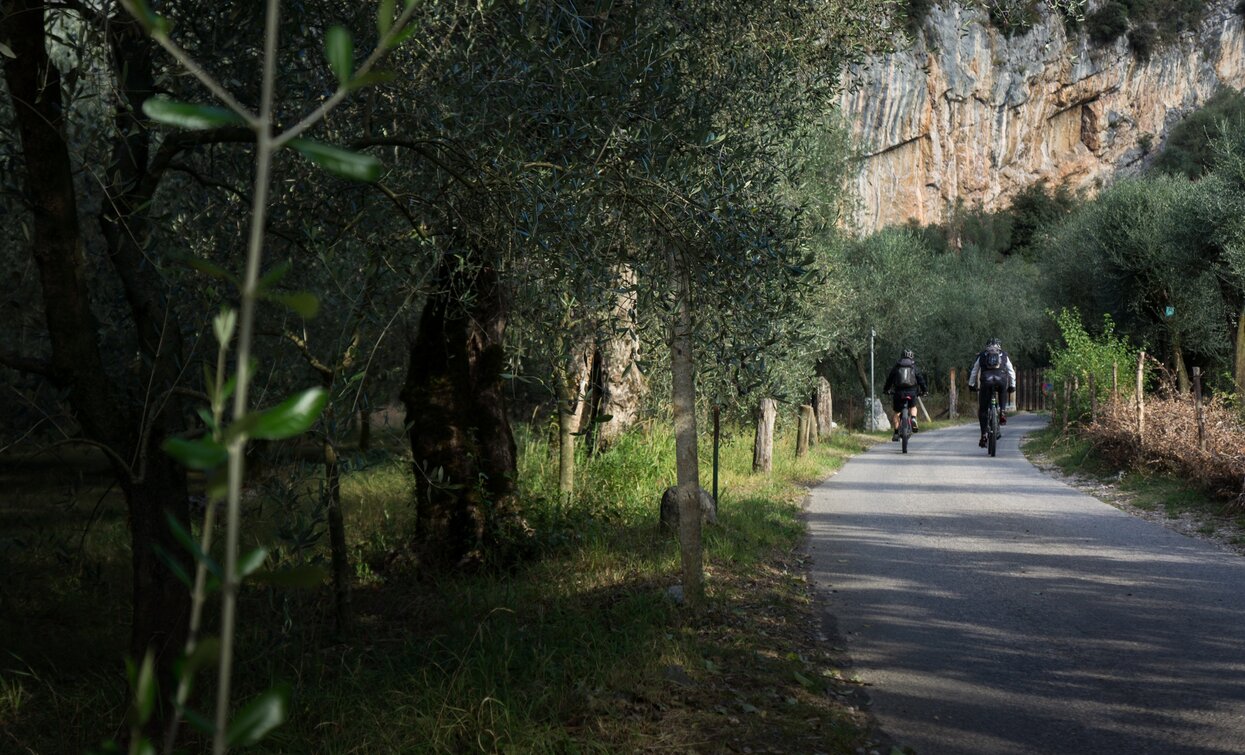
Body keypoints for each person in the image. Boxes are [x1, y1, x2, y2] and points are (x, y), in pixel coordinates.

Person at [968, 337, 1016, 448]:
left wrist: (971, 385)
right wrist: (1012, 386)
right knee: (1003, 389)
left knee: (983, 410)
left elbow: (974, 372)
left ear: (987, 346)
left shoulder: (982, 355)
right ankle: (1003, 411)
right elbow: (1011, 371)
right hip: (1001, 381)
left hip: (986, 382)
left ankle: (984, 435)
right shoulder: (1004, 355)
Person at [883, 349, 928, 441]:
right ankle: (914, 419)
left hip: (898, 393)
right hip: (912, 392)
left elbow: (890, 379)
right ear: (912, 356)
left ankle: (896, 433)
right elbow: (920, 379)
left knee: (896, 412)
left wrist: (886, 390)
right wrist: (924, 390)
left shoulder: (897, 366)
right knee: (913, 406)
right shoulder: (913, 366)